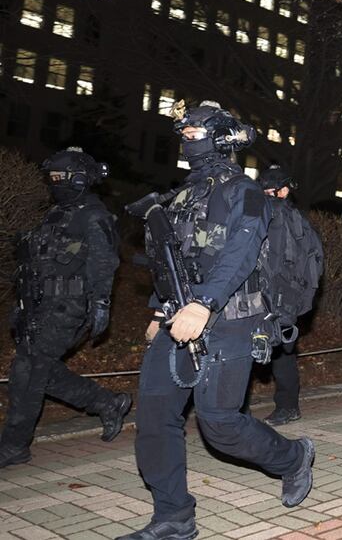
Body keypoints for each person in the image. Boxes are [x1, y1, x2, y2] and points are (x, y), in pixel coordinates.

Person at [121, 101, 314, 540]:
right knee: (154, 417)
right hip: (178, 318)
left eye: (193, 134)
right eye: (183, 135)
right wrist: (159, 308)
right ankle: (173, 516)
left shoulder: (243, 191)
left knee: (220, 424)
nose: (186, 142)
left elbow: (240, 254)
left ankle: (293, 458)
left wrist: (204, 303)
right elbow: (175, 259)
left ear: (221, 138)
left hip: (230, 319)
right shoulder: (186, 193)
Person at [0, 148, 130, 470]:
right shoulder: (56, 214)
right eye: (53, 178)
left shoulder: (94, 214)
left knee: (27, 372)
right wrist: (21, 303)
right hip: (39, 305)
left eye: (63, 177)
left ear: (81, 179)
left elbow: (104, 263)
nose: (56, 183)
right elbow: (37, 263)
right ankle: (108, 402)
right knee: (38, 370)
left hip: (67, 307)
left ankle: (14, 445)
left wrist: (101, 304)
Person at [257, 165, 324, 426]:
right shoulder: (276, 215)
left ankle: (287, 406)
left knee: (282, 351)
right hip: (266, 294)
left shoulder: (291, 220)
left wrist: (296, 300)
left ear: (284, 190)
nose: (265, 195)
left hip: (280, 296)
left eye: (269, 190)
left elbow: (309, 264)